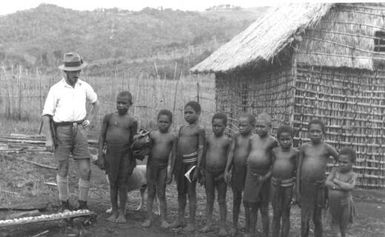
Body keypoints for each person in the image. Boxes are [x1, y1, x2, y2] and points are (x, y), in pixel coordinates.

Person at [42, 52, 99, 211]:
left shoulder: (84, 86)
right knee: (63, 167)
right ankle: (64, 204)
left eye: (79, 71)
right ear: (65, 72)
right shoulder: (56, 89)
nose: (77, 74)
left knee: (85, 169)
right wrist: (49, 139)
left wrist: (89, 121)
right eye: (74, 71)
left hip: (79, 130)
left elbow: (96, 103)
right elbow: (47, 115)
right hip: (61, 131)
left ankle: (83, 205)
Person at [96, 91, 137, 223]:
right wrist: (101, 155)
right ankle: (114, 212)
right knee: (112, 184)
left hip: (125, 156)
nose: (120, 105)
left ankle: (122, 213)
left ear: (130, 104)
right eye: (118, 102)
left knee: (123, 184)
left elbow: (133, 143)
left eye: (124, 103)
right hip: (111, 156)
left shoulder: (132, 121)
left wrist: (133, 161)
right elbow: (102, 136)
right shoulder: (109, 117)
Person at [297, 119, 338, 237]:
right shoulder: (304, 147)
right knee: (304, 219)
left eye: (318, 131)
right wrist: (297, 191)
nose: (315, 134)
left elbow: (340, 160)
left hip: (319, 187)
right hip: (305, 187)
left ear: (323, 133)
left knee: (317, 218)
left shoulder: (327, 148)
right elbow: (299, 169)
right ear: (308, 133)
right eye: (312, 131)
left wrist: (330, 178)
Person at [170, 101, 205, 232]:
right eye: (185, 112)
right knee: (180, 192)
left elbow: (201, 149)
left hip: (192, 165)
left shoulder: (199, 129)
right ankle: (180, 219)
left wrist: (198, 167)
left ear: (198, 113)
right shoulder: (182, 129)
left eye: (191, 112)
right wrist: (173, 167)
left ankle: (191, 222)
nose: (187, 115)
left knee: (191, 192)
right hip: (180, 164)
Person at [243, 112, 277, 237]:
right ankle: (251, 232)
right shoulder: (252, 139)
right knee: (252, 206)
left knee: (264, 208)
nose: (259, 129)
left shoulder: (273, 142)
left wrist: (266, 176)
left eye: (262, 126)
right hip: (251, 176)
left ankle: (265, 234)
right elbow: (248, 155)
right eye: (257, 126)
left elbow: (275, 164)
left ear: (270, 127)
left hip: (265, 178)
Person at [142, 109, 175, 228]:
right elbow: (146, 150)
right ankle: (148, 218)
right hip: (151, 167)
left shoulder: (172, 137)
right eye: (160, 121)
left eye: (166, 122)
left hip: (163, 168)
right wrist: (142, 143)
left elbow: (173, 155)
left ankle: (163, 220)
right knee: (150, 192)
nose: (163, 124)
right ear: (157, 121)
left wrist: (170, 172)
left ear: (171, 123)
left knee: (161, 194)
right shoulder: (152, 134)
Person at [224, 113, 255, 236]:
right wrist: (227, 169)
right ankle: (234, 226)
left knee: (247, 201)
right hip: (237, 171)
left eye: (244, 125)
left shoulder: (254, 139)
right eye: (239, 125)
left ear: (252, 126)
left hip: (248, 173)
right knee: (236, 199)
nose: (240, 127)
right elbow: (231, 152)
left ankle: (248, 228)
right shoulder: (236, 137)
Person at [200, 113, 231, 236]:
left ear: (225, 126)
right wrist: (202, 170)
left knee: (222, 200)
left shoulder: (227, 141)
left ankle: (222, 226)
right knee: (209, 198)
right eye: (214, 125)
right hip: (208, 173)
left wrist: (226, 172)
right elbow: (203, 154)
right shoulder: (209, 139)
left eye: (219, 126)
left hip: (221, 174)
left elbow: (230, 158)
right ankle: (208, 223)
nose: (216, 128)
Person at [271, 125, 298, 237]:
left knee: (285, 213)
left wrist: (295, 191)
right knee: (276, 213)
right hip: (275, 185)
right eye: (282, 139)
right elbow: (271, 167)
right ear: (278, 139)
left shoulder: (295, 153)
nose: (285, 142)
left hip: (288, 186)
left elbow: (297, 172)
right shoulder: (274, 151)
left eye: (288, 139)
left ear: (292, 139)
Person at [325, 147, 357, 237]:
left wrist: (336, 182)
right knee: (334, 223)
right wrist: (339, 187)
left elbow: (350, 187)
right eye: (340, 162)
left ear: (352, 163)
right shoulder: (335, 170)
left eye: (345, 162)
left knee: (343, 225)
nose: (341, 164)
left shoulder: (352, 175)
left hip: (345, 204)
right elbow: (327, 182)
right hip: (333, 203)